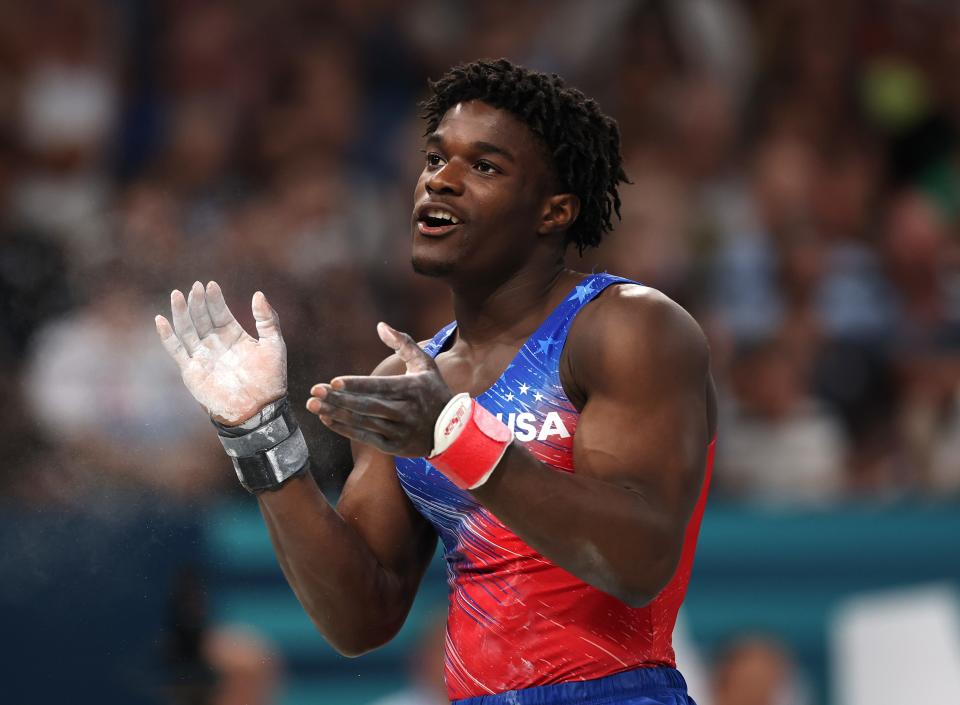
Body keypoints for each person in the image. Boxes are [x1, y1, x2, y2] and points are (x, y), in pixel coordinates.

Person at [156, 59, 717, 705]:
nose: (440, 181)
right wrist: (259, 434)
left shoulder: (628, 327)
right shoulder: (408, 377)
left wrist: (455, 435)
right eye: (434, 158)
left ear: (554, 210)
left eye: (483, 166)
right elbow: (362, 617)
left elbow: (638, 562)